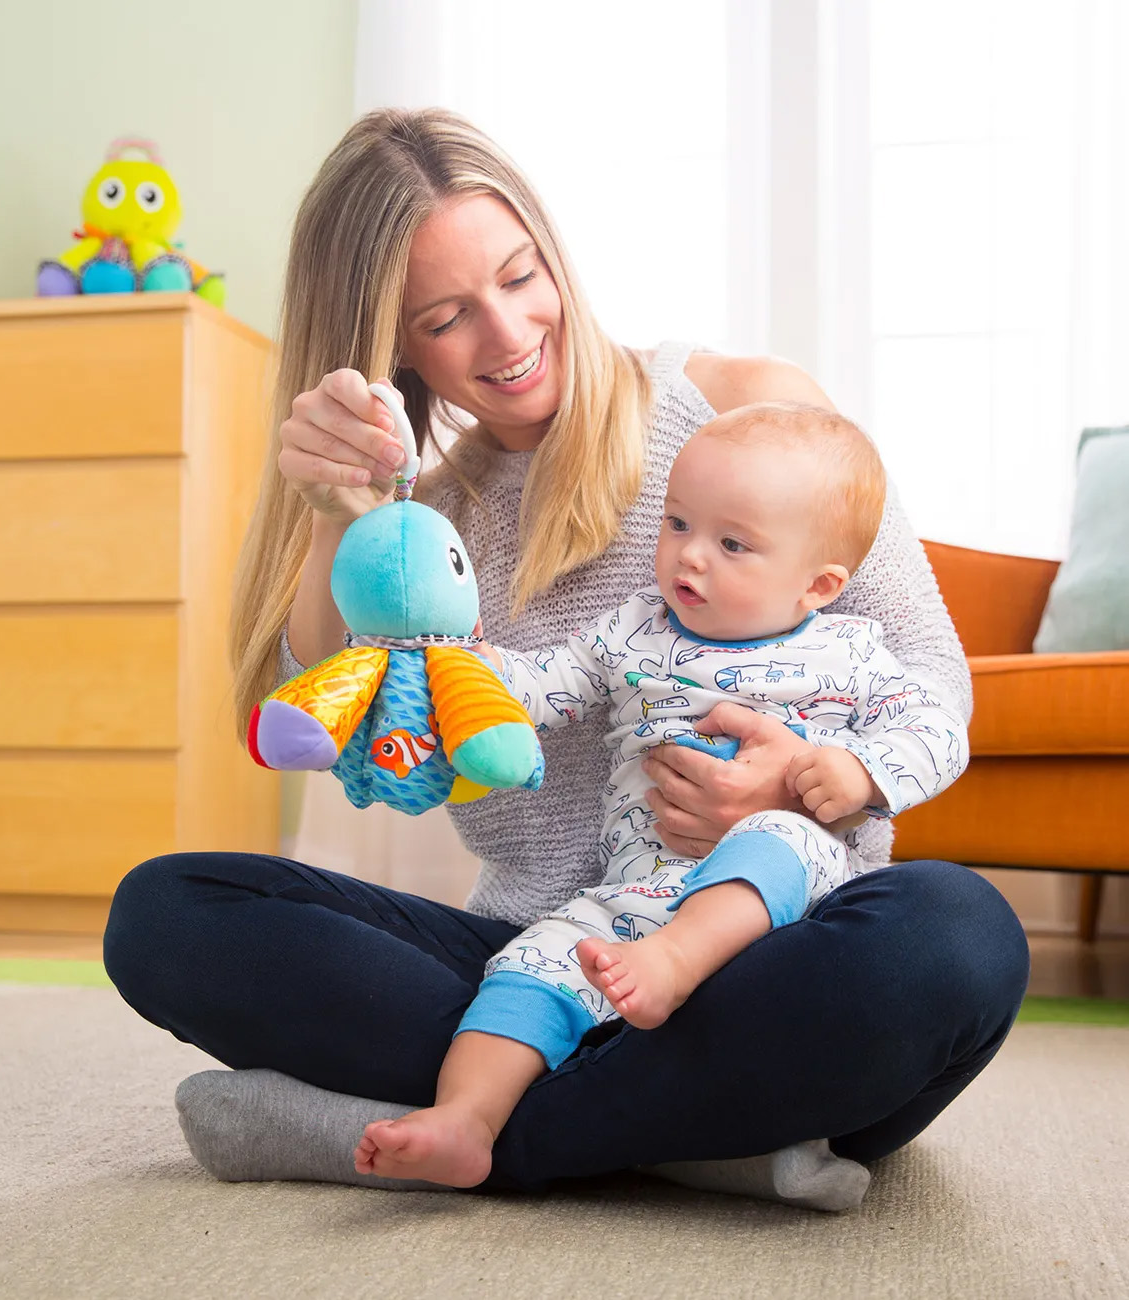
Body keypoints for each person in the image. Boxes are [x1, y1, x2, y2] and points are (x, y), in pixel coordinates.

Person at [102, 107, 1029, 1211]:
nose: (505, 335)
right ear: (389, 344)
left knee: (955, 940)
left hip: (780, 944)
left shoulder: (743, 413)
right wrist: (328, 516)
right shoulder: (423, 541)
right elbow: (350, 716)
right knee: (167, 910)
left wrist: (795, 783)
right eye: (446, 317)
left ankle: (461, 1126)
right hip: (541, 949)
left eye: (519, 275)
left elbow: (931, 678)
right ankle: (707, 1139)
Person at [353, 401, 969, 1188]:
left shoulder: (849, 652)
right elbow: (548, 681)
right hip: (636, 900)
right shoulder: (638, 628)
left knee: (783, 839)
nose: (691, 556)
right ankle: (467, 1122)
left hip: (785, 920)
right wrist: (460, 668)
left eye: (732, 543)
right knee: (532, 962)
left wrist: (860, 775)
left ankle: (670, 987)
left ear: (818, 584)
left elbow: (939, 728)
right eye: (677, 524)